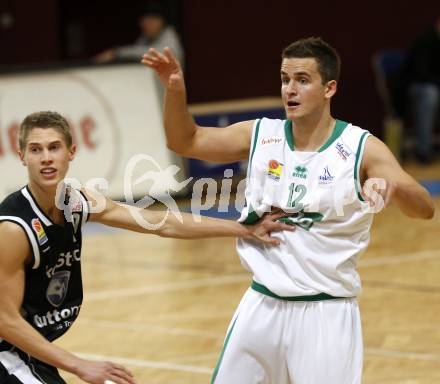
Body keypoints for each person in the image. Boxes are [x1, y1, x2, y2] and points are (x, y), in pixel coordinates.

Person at [142, 37, 435, 383]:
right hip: (261, 305)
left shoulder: (361, 148)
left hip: (325, 313)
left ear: (330, 88)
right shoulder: (261, 135)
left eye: (302, 80)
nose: (290, 90)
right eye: (285, 79)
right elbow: (185, 142)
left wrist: (394, 187)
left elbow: (424, 208)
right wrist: (175, 91)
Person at [0, 111, 292, 384]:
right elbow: (4, 320)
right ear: (22, 156)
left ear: (71, 153)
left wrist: (243, 229)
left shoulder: (76, 202)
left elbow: (159, 222)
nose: (46, 158)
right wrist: (79, 365)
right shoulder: (14, 229)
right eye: (36, 150)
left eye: (54, 148)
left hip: (27, 351)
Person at [94, 2, 184, 65]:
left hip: (168, 90)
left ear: (161, 22)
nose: (147, 25)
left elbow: (150, 54)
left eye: (151, 21)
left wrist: (117, 53)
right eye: (144, 22)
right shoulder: (145, 37)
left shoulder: (170, 37)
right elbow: (137, 50)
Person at [403, 16, 440, 163]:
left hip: (435, 86)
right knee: (430, 94)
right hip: (416, 88)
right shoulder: (425, 40)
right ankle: (423, 150)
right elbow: (421, 74)